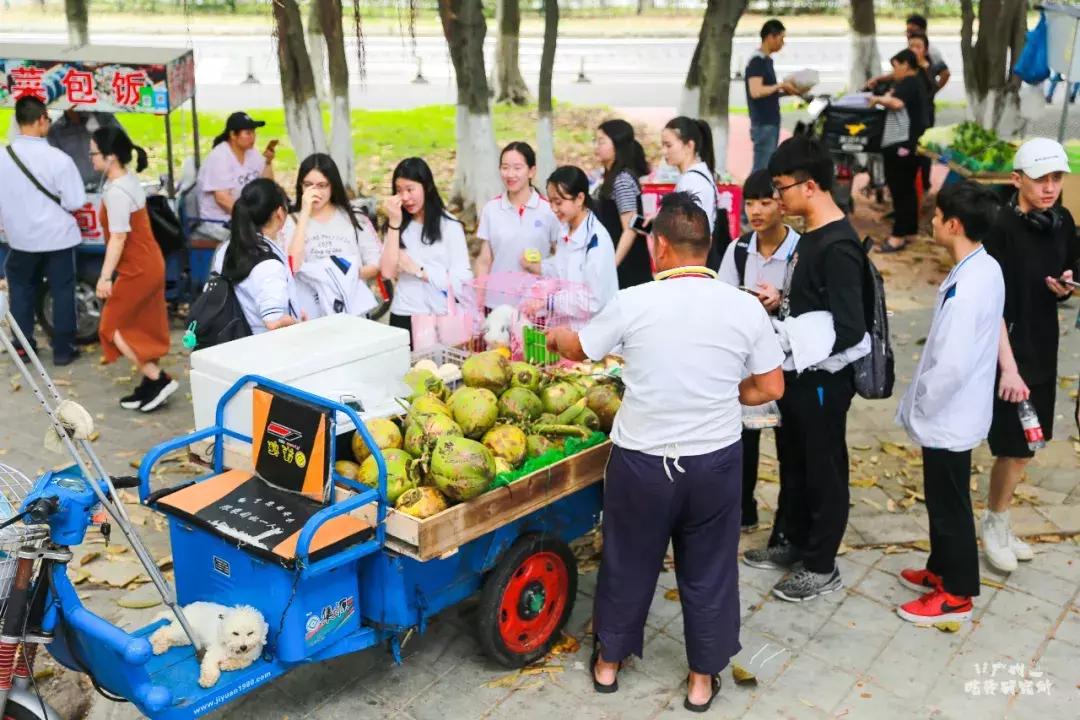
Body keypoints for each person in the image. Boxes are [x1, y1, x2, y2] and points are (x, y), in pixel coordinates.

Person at [545, 191, 784, 711]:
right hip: (715, 464)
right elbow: (771, 387)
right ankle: (701, 681)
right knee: (709, 570)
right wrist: (728, 392)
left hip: (642, 463)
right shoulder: (744, 307)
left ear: (659, 248)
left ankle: (608, 665)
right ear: (709, 247)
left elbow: (579, 349)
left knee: (628, 562)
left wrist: (557, 336)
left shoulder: (634, 301)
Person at [743, 136, 869, 602]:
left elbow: (851, 328)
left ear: (811, 185)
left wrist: (803, 346)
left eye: (781, 188)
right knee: (794, 461)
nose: (777, 199)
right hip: (797, 375)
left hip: (823, 380)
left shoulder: (837, 246)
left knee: (823, 468)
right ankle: (789, 541)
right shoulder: (811, 238)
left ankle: (821, 564)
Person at [894, 181, 1004, 624]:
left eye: (937, 217)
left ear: (954, 224)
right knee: (941, 497)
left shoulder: (970, 287)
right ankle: (940, 569)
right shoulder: (984, 266)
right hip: (956, 412)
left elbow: (952, 367)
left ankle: (957, 592)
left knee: (950, 504)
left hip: (948, 414)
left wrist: (922, 404)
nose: (932, 222)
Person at [981, 138, 1080, 573]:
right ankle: (993, 524)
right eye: (1041, 179)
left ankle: (1001, 521)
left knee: (1028, 446)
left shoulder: (1062, 222)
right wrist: (1008, 367)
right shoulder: (998, 227)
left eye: (1057, 178)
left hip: (1043, 345)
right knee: (1013, 445)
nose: (1050, 187)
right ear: (1016, 179)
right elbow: (990, 300)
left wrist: (1066, 285)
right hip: (1005, 351)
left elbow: (1071, 268)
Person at [718, 170, 800, 531]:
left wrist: (781, 302)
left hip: (789, 363)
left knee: (790, 447)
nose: (756, 211)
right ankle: (742, 508)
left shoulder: (801, 250)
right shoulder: (738, 250)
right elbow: (720, 298)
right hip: (744, 363)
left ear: (782, 204)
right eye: (750, 202)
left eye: (765, 202)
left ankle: (787, 522)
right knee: (743, 438)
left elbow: (811, 307)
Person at [91, 126, 177, 412]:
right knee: (140, 324)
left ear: (111, 157)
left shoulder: (117, 192)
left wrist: (105, 277)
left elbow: (118, 237)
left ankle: (158, 379)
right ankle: (150, 383)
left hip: (138, 268)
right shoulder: (129, 181)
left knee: (111, 326)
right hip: (148, 262)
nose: (91, 158)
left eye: (94, 153)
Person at [0, 96, 86, 365]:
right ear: (40, 120)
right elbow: (74, 201)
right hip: (57, 238)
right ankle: (63, 349)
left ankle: (23, 347)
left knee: (21, 290)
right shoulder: (58, 159)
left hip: (20, 239)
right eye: (47, 119)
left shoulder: (3, 157)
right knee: (62, 291)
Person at [380, 157, 471, 343]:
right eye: (399, 191)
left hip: (442, 316)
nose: (405, 197)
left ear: (427, 187)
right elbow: (387, 272)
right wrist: (394, 223)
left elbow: (463, 279)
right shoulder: (396, 225)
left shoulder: (449, 226)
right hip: (405, 313)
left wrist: (419, 271)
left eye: (410, 189)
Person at [285, 153, 381, 320]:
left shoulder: (354, 217)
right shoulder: (291, 222)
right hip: (314, 315)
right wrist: (305, 212)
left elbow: (376, 262)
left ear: (333, 186)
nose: (315, 191)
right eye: (308, 185)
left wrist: (345, 275)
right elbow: (292, 265)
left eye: (322, 185)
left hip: (353, 310)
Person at [522, 166, 619, 315]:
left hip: (592, 331)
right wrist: (538, 269)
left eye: (559, 202)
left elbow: (593, 301)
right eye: (551, 202)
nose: (553, 209)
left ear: (580, 198)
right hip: (567, 327)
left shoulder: (597, 241)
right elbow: (561, 269)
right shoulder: (565, 231)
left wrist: (550, 301)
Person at [475, 141, 561, 307]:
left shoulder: (548, 209)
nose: (510, 174)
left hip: (535, 306)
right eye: (505, 167)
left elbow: (562, 256)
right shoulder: (491, 209)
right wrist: (479, 299)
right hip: (496, 305)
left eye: (517, 168)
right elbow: (485, 260)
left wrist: (540, 268)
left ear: (531, 171)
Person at [220, 178, 301, 335]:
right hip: (263, 348)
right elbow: (274, 323)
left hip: (233, 340)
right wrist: (296, 322)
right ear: (279, 213)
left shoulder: (226, 248)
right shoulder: (269, 265)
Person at [870, 49, 929, 253]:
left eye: (895, 66)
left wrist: (877, 99)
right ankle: (910, 231)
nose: (894, 71)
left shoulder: (909, 83)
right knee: (908, 189)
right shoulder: (916, 81)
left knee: (900, 188)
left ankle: (897, 237)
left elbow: (896, 103)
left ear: (905, 65)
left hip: (901, 144)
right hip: (911, 143)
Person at [196, 112, 277, 243]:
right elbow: (222, 199)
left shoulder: (251, 153)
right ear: (233, 135)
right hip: (218, 222)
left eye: (253, 132)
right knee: (257, 240)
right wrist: (250, 218)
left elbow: (267, 184)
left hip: (242, 217)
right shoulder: (220, 157)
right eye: (248, 133)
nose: (253, 137)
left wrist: (268, 162)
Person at [594, 119, 652, 289]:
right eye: (596, 141)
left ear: (617, 145)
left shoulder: (622, 180)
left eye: (601, 141)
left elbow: (630, 228)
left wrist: (612, 265)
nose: (596, 146)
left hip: (628, 268)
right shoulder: (612, 177)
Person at [745, 19, 796, 173]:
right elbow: (756, 91)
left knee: (766, 167)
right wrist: (779, 85)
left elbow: (767, 92)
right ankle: (752, 196)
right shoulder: (757, 61)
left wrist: (786, 91)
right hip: (763, 123)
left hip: (770, 122)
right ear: (770, 37)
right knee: (761, 169)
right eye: (781, 38)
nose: (783, 43)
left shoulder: (767, 61)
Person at [661, 117, 718, 233]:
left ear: (689, 146)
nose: (664, 151)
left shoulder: (692, 180)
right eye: (663, 145)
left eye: (668, 145)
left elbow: (690, 230)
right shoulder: (695, 175)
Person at [47, 110, 122, 189]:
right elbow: (54, 165)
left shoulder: (106, 119)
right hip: (76, 189)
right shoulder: (56, 130)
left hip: (108, 186)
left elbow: (121, 144)